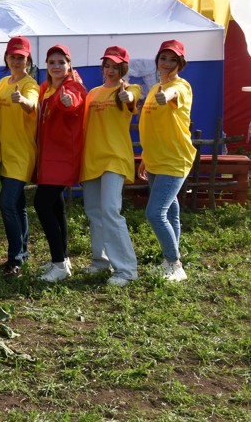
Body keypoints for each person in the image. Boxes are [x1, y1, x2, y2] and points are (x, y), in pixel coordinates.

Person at [80, 46, 141, 286]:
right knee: (94, 212)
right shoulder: (93, 93)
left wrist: (128, 97)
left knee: (110, 211)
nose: (111, 70)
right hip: (91, 158)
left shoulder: (128, 89)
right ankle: (100, 261)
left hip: (114, 158)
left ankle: (127, 269)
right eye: (107, 65)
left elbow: (131, 99)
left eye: (116, 66)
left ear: (123, 68)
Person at [138, 39, 195, 282]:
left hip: (174, 159)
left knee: (155, 213)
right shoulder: (153, 89)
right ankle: (169, 261)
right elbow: (153, 126)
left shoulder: (181, 87)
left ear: (181, 63)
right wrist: (145, 158)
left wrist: (167, 96)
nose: (167, 63)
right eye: (164, 58)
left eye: (173, 59)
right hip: (155, 159)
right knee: (171, 210)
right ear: (158, 60)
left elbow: (173, 95)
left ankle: (174, 263)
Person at [34, 44, 87, 282]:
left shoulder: (71, 86)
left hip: (62, 155)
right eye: (52, 62)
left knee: (42, 204)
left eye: (61, 62)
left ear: (69, 65)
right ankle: (62, 259)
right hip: (47, 154)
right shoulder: (45, 87)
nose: (56, 66)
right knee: (56, 206)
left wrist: (68, 102)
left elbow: (74, 101)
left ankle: (58, 263)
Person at [0, 37, 39, 277]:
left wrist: (22, 101)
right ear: (7, 58)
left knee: (8, 204)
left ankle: (15, 259)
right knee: (18, 206)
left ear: (28, 59)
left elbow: (33, 105)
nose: (16, 60)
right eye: (13, 56)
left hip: (21, 153)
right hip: (3, 153)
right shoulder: (2, 82)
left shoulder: (30, 84)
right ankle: (22, 254)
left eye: (21, 57)